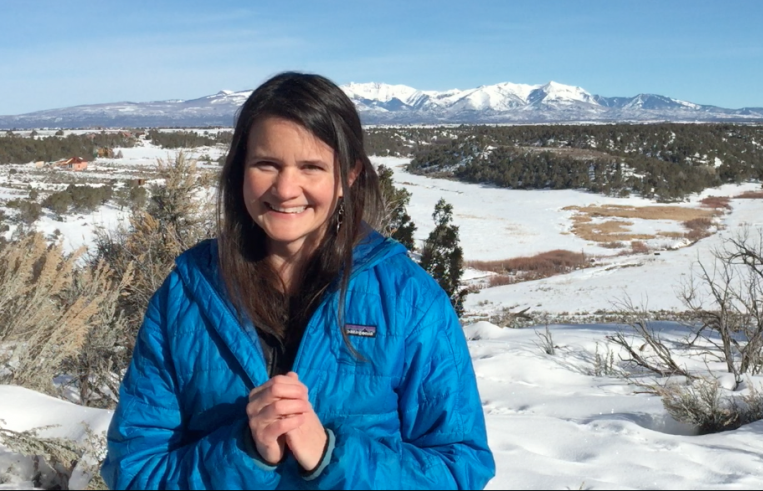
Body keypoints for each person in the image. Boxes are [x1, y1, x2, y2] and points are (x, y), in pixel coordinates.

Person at [102, 72, 495, 489]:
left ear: (348, 175)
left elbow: (459, 469)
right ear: (240, 170)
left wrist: (330, 455)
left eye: (311, 167)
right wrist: (243, 454)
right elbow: (133, 469)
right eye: (266, 164)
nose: (286, 189)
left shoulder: (408, 300)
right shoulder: (188, 293)